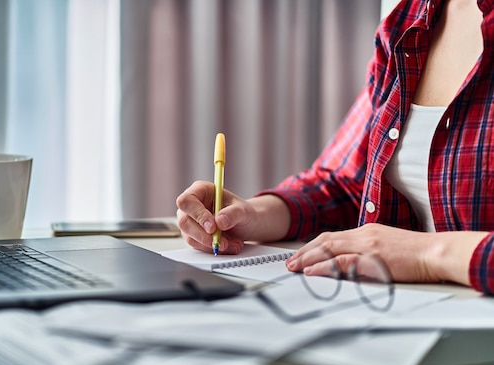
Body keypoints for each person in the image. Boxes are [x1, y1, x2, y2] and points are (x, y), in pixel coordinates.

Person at [175, 0, 494, 295]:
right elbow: (349, 183)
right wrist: (253, 215)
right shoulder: (406, 24)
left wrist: (428, 255)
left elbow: (395, 242)